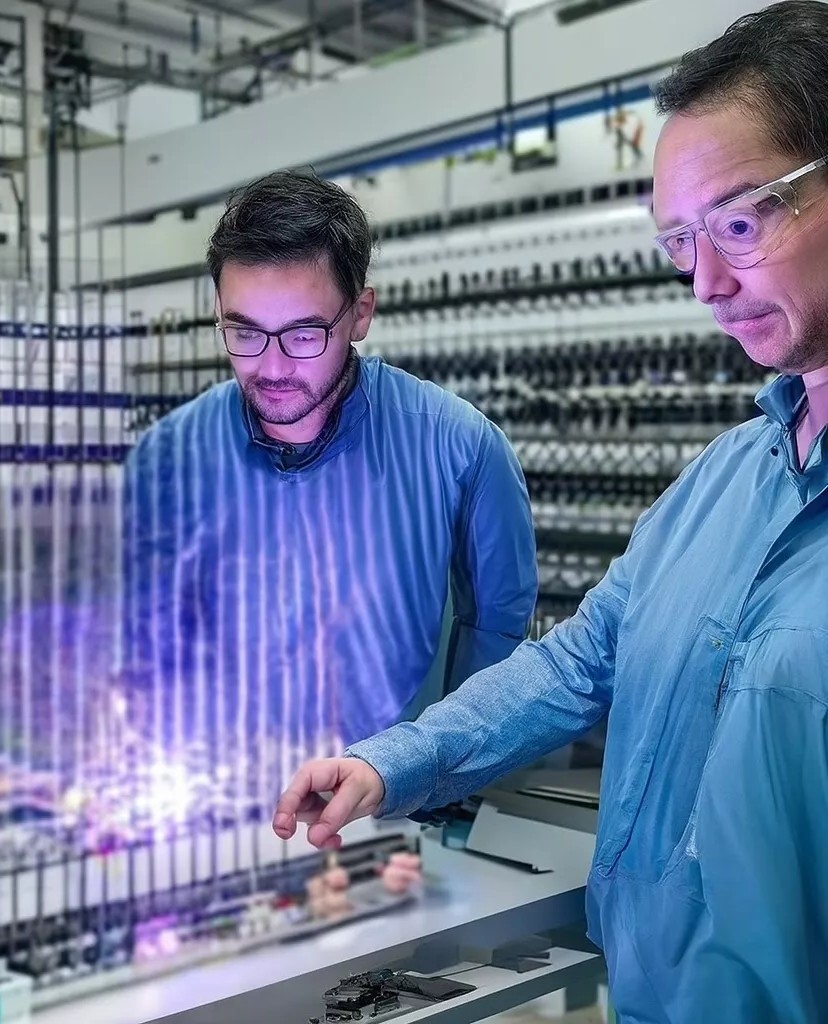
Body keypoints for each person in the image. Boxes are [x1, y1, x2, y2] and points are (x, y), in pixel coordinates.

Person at [273, 3, 828, 1021]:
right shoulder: (716, 486)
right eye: (680, 241)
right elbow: (576, 663)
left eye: (741, 223)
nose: (706, 283)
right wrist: (387, 762)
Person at [123, 170, 536, 809]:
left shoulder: (461, 449)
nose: (272, 366)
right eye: (244, 332)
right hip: (211, 813)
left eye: (303, 334)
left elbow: (497, 653)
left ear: (360, 314)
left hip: (391, 814)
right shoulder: (168, 458)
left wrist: (438, 788)